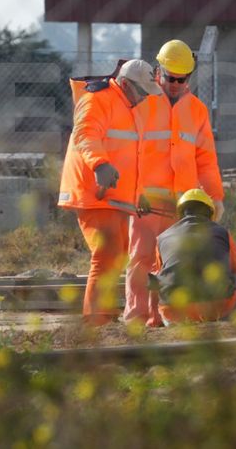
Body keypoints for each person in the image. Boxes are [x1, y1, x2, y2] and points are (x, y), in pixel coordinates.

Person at [125, 39, 225, 327]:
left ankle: (164, 316)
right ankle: (137, 317)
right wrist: (133, 192)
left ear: (189, 78)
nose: (174, 85)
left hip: (181, 204)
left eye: (181, 80)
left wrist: (215, 197)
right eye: (170, 78)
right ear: (159, 71)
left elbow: (206, 159)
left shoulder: (197, 110)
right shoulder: (141, 103)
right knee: (142, 257)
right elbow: (128, 152)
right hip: (145, 201)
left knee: (173, 261)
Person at [58, 59, 162, 325]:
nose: (144, 98)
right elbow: (86, 134)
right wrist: (100, 164)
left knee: (118, 255)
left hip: (116, 194)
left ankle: (102, 316)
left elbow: (133, 155)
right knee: (108, 253)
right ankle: (96, 320)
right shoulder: (97, 99)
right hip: (93, 190)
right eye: (141, 92)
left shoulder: (131, 104)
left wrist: (140, 193)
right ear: (126, 84)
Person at [149, 189, 236, 325]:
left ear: (180, 212)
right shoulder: (222, 233)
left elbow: (157, 278)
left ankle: (155, 320)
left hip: (174, 313)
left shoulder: (162, 238)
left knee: (156, 277)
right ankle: (229, 320)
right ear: (210, 212)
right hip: (217, 310)